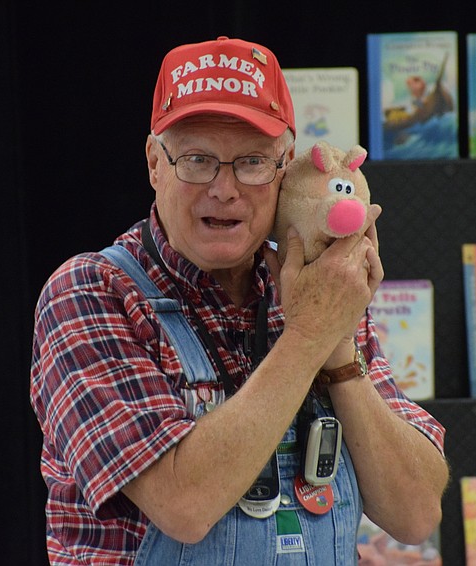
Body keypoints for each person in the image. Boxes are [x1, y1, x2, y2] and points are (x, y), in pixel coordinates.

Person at [30, 36, 449, 565]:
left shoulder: (317, 291)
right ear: (155, 164)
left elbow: (414, 514)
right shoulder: (91, 293)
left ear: (286, 169)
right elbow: (184, 505)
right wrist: (309, 337)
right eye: (198, 160)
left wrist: (340, 351)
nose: (224, 189)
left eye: (251, 162)